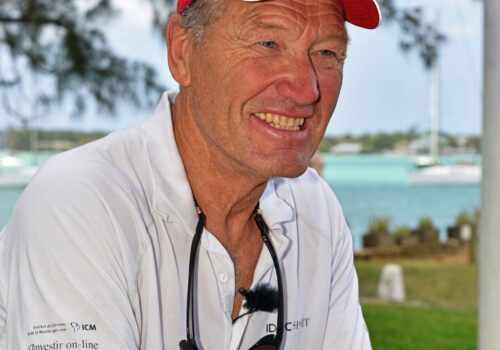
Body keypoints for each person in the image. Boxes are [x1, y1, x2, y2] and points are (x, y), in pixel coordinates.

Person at [0, 0, 381, 348]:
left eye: (327, 52)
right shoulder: (81, 202)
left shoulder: (313, 208)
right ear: (181, 51)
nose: (306, 89)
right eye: (267, 43)